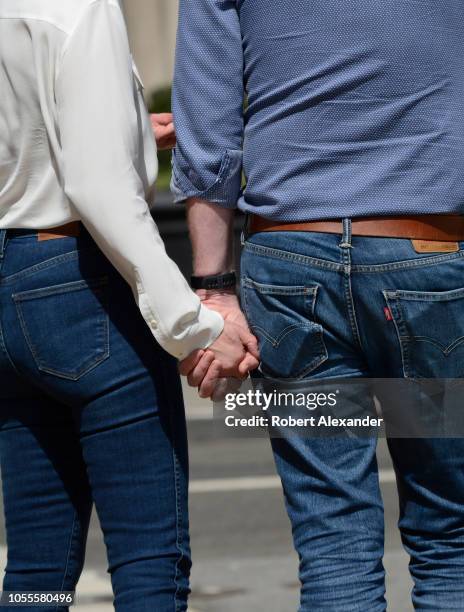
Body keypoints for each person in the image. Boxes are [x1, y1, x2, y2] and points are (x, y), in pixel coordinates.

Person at [173, 0, 464, 609]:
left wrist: (215, 290)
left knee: (332, 533)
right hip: (430, 252)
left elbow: (207, 133)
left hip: (290, 265)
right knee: (451, 530)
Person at [0, 1, 259, 610]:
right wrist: (195, 325)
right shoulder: (79, 9)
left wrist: (130, 133)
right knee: (149, 562)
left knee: (37, 568)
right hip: (84, 282)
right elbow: (101, 191)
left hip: (12, 281)